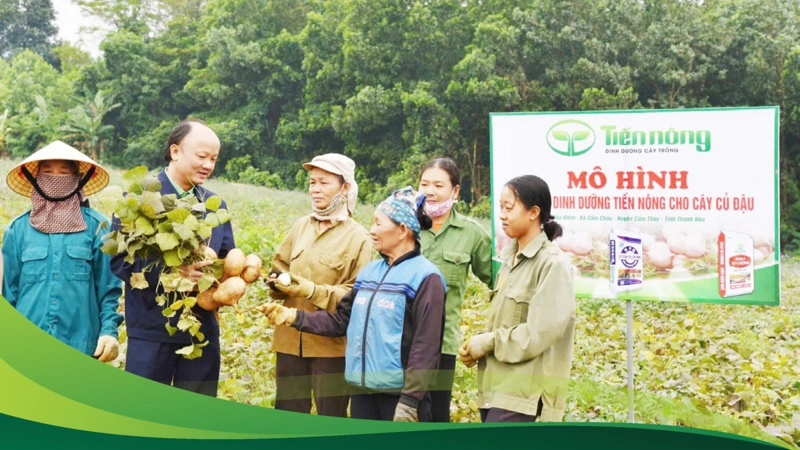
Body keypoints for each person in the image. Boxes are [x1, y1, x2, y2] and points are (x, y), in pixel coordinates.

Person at [263, 187, 446, 422]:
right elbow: (341, 321)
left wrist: (410, 402)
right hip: (362, 393)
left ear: (402, 230)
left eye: (379, 224)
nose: (372, 230)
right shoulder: (369, 273)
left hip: (398, 397)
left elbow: (426, 347)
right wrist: (292, 317)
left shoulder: (426, 277)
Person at [110, 119, 235, 396]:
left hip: (201, 332)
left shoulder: (216, 205)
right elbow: (119, 261)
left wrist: (224, 281)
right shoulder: (140, 197)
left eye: (213, 158)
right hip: (152, 330)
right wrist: (172, 275)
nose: (208, 165)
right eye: (202, 156)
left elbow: (226, 258)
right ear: (175, 151)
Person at [458, 175, 576, 423]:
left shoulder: (553, 264)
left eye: (509, 207)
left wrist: (489, 342)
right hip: (497, 386)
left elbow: (539, 333)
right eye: (501, 207)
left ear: (534, 212)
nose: (502, 215)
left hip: (525, 394)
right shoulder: (509, 260)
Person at [266, 153, 374, 417]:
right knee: (288, 414)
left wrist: (311, 291)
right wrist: (276, 283)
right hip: (290, 339)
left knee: (331, 415)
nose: (315, 189)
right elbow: (278, 267)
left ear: (345, 187)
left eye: (324, 182)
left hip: (331, 346)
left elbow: (356, 295)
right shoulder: (301, 226)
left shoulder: (360, 238)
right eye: (312, 182)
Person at [2, 140, 123, 361]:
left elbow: (108, 289)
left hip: (81, 347)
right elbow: (7, 293)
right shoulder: (17, 230)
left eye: (64, 172)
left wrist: (109, 331)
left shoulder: (99, 228)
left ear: (78, 178)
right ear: (35, 178)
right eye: (47, 172)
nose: (55, 178)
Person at [417, 157, 493, 422]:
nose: (430, 191)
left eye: (438, 184)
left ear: (455, 191)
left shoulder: (471, 233)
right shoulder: (406, 227)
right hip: (400, 340)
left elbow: (498, 280)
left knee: (436, 414)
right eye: (424, 183)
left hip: (442, 343)